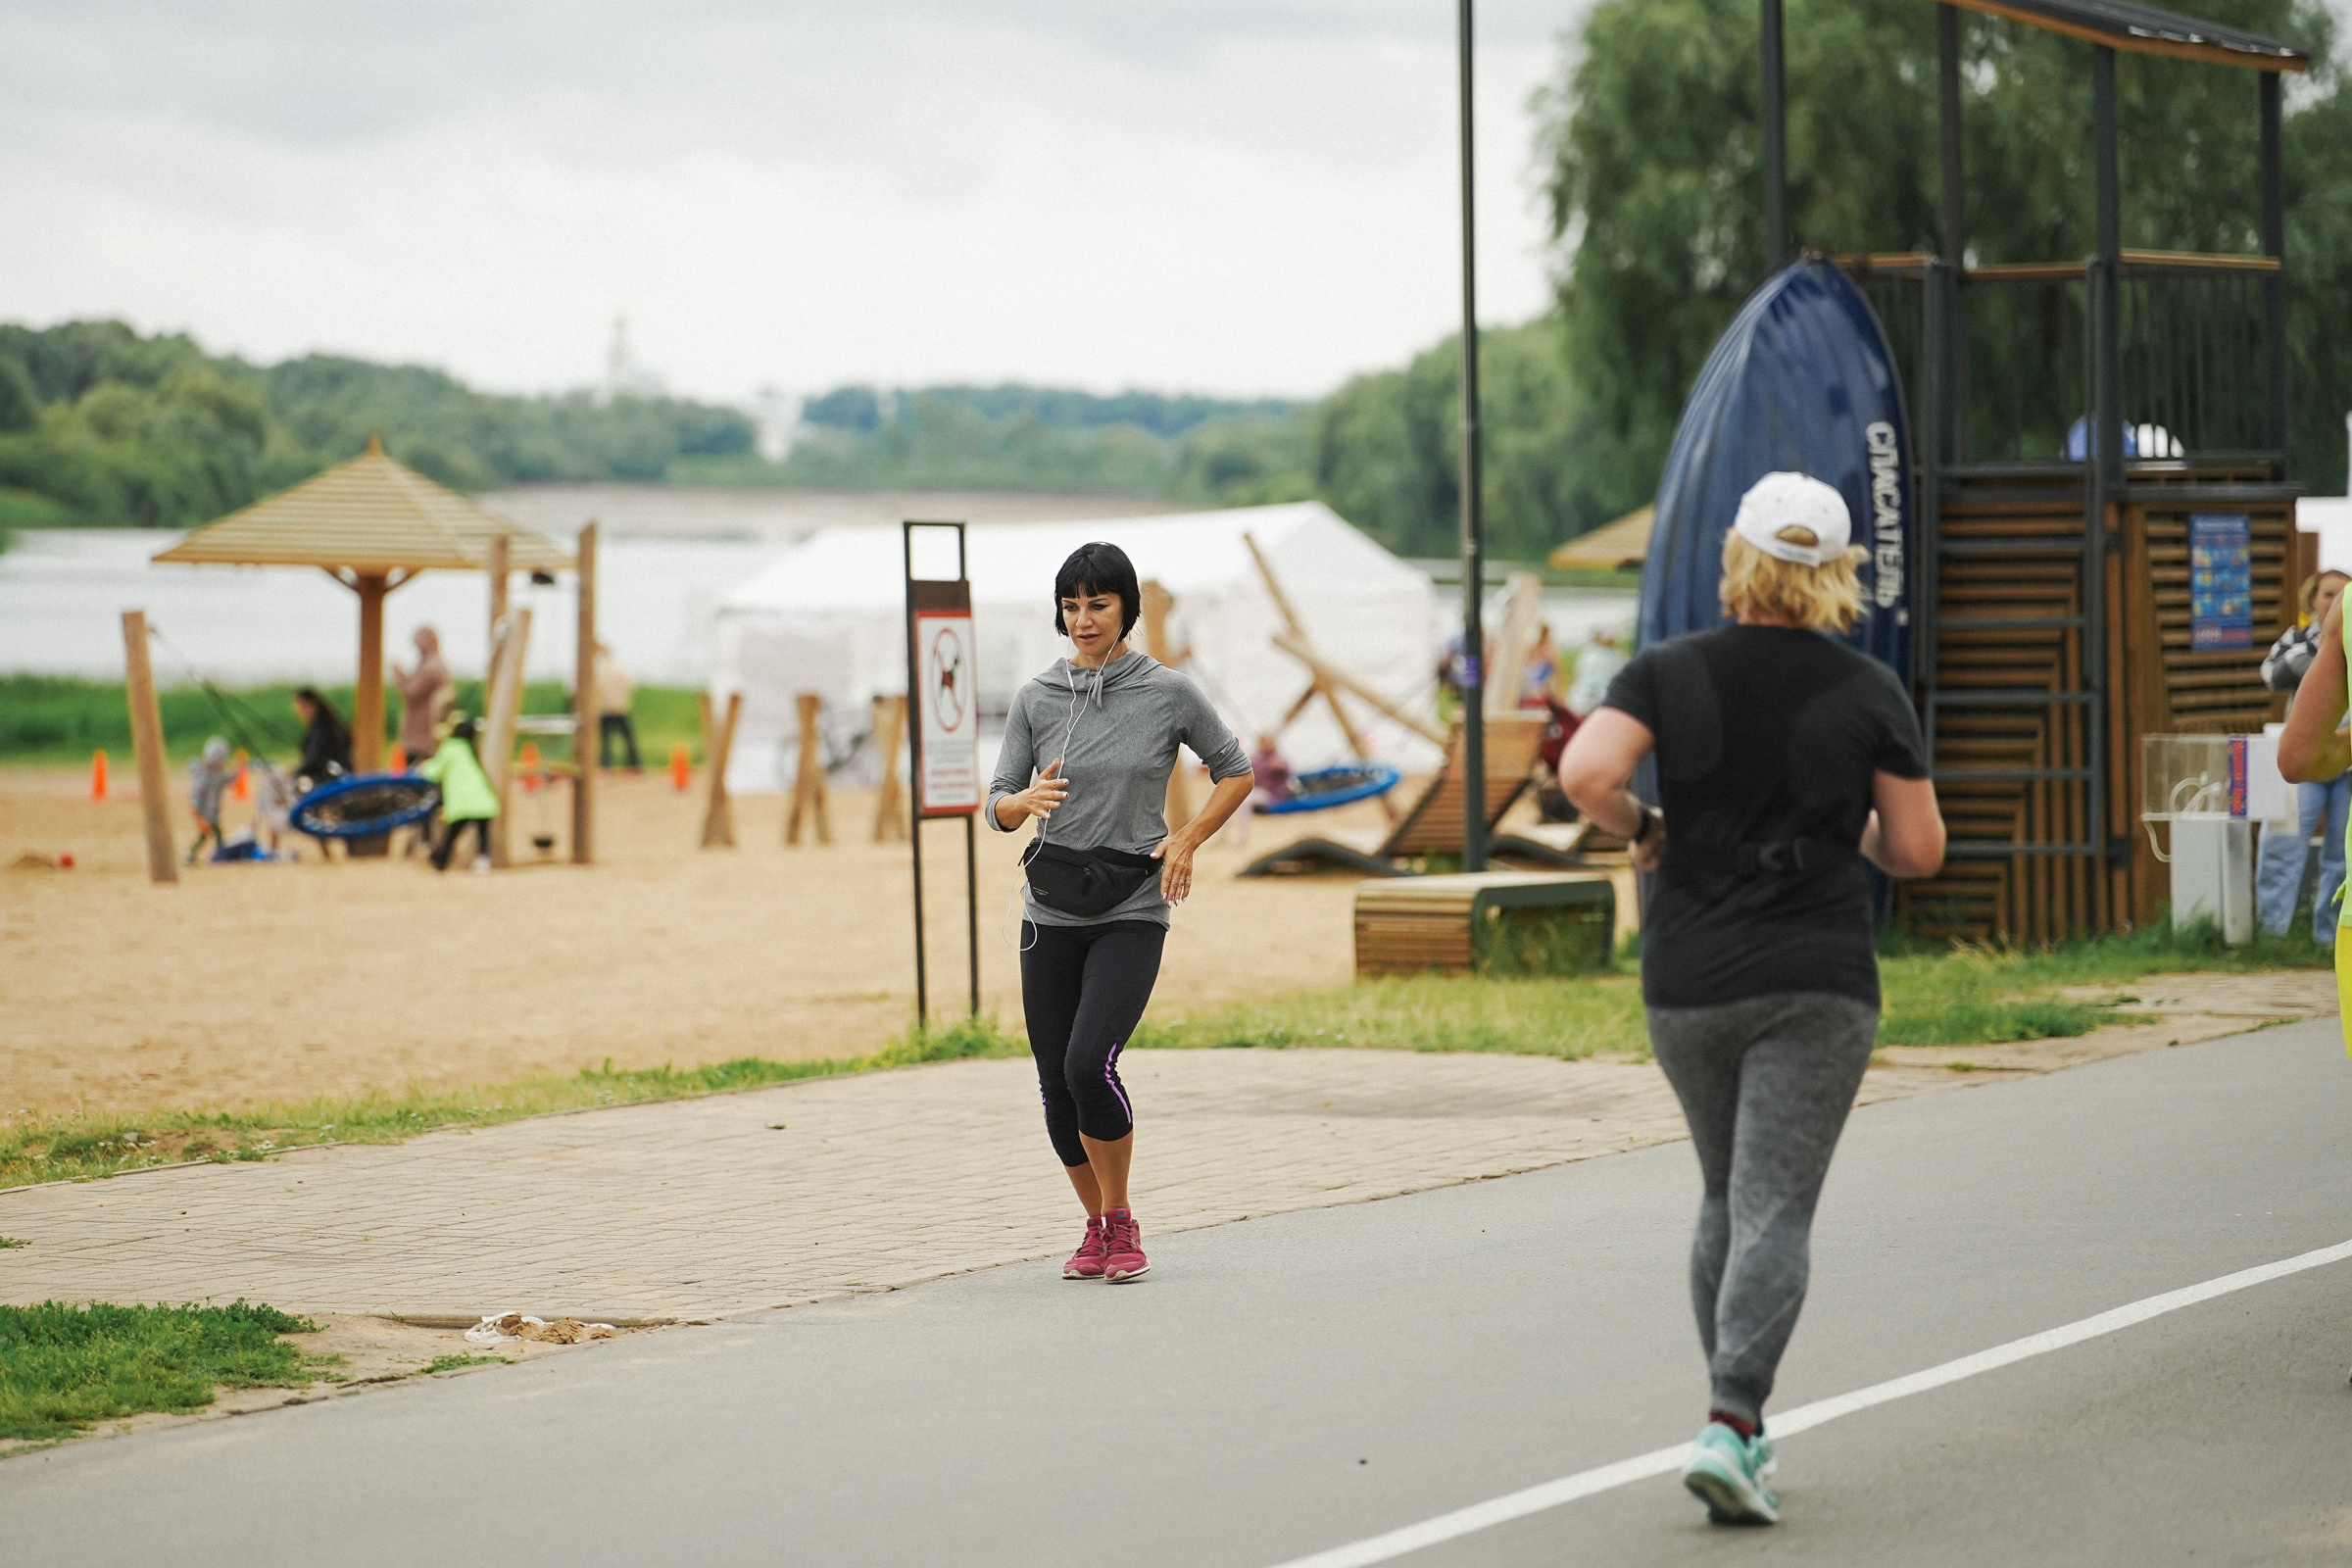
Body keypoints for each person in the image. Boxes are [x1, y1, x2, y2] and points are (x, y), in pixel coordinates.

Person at [1558, 471, 1946, 1527]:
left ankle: (1739, 1426)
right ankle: (1731, 1422)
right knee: (1774, 1203)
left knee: (1727, 1195)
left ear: (1737, 558)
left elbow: (1586, 774)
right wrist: (1852, 831)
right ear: (1837, 573)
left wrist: (1645, 828)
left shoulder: (1667, 669)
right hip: (1816, 977)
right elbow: (1917, 850)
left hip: (1688, 977)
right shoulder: (1868, 688)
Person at [988, 541, 1254, 1285]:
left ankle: (1123, 1216)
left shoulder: (1169, 693)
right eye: (1071, 606)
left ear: (1126, 608)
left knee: (1088, 1063)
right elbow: (997, 803)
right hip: (1050, 910)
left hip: (1133, 906)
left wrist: (1187, 840)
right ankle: (1096, 1228)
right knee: (1054, 1084)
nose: (1083, 619)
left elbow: (1236, 772)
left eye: (1098, 604)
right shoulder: (1037, 697)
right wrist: (1022, 801)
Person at [2258, 570, 2350, 943]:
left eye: (2340, 593)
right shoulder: (2297, 638)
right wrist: (2323, 648)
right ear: (2313, 599)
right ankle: (2272, 936)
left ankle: (2326, 935)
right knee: (2283, 847)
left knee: (2340, 858)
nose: (2333, 600)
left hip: (2344, 765)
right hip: (2315, 753)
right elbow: (2271, 674)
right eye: (2327, 594)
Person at [416, 717, 501, 872]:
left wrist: (423, 769)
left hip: (463, 801)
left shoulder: (451, 747)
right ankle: (483, 861)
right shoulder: (471, 749)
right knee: (482, 833)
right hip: (481, 798)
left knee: (452, 833)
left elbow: (436, 770)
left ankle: (440, 859)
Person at [393, 627, 455, 767]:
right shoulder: (434, 664)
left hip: (422, 738)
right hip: (426, 736)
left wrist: (398, 675)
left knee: (419, 771)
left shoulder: (431, 667)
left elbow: (411, 692)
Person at [289, 688, 352, 791]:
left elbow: (314, 759)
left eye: (301, 706)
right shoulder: (324, 725)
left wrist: (296, 772)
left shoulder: (322, 729)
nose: (299, 711)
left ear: (312, 705)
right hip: (329, 775)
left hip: (327, 778)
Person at [184, 736, 235, 864]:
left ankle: (218, 852)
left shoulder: (217, 775)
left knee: (212, 833)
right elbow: (195, 800)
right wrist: (199, 818)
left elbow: (228, 780)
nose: (223, 764)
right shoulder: (203, 777)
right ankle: (194, 854)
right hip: (204, 813)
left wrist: (240, 769)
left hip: (212, 813)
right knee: (207, 834)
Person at [595, 642, 641, 771]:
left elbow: (596, 690)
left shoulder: (600, 670)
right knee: (629, 740)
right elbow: (630, 684)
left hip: (606, 709)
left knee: (606, 742)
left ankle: (606, 766)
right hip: (620, 708)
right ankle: (635, 764)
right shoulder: (619, 668)